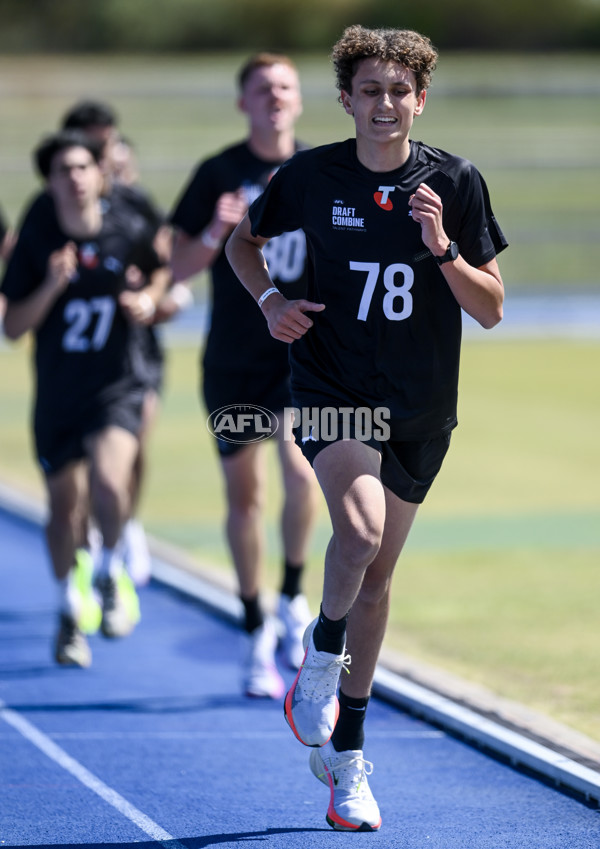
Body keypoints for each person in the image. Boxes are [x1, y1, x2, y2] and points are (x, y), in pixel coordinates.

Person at [226, 25, 507, 831]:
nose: (384, 104)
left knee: (378, 578)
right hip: (332, 385)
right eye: (369, 90)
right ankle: (317, 656)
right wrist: (272, 301)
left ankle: (346, 755)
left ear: (420, 99)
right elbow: (244, 245)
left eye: (399, 91)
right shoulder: (310, 177)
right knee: (358, 531)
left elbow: (489, 308)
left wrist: (443, 247)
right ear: (345, 99)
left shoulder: (454, 182)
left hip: (422, 405)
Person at [170, 53, 318, 699]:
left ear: (301, 99)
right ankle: (254, 622)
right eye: (262, 89)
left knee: (300, 468)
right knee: (246, 496)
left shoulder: (322, 170)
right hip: (234, 359)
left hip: (303, 356)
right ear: (244, 104)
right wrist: (214, 229)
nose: (274, 97)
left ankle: (291, 595)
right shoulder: (218, 173)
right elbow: (174, 265)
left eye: (284, 86)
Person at [0, 130, 169, 667]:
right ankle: (67, 609)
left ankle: (109, 570)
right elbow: (12, 326)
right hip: (58, 392)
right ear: (49, 184)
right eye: (61, 171)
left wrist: (147, 298)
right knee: (62, 509)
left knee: (108, 480)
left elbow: (163, 270)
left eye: (82, 168)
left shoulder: (128, 229)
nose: (73, 179)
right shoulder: (38, 240)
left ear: (101, 174)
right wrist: (51, 285)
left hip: (115, 384)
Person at [61, 99, 172, 586]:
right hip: (78, 351)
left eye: (105, 143)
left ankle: (127, 524)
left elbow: (165, 267)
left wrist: (152, 295)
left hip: (136, 347)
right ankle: (95, 540)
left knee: (133, 441)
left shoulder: (134, 202)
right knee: (84, 461)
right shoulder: (58, 207)